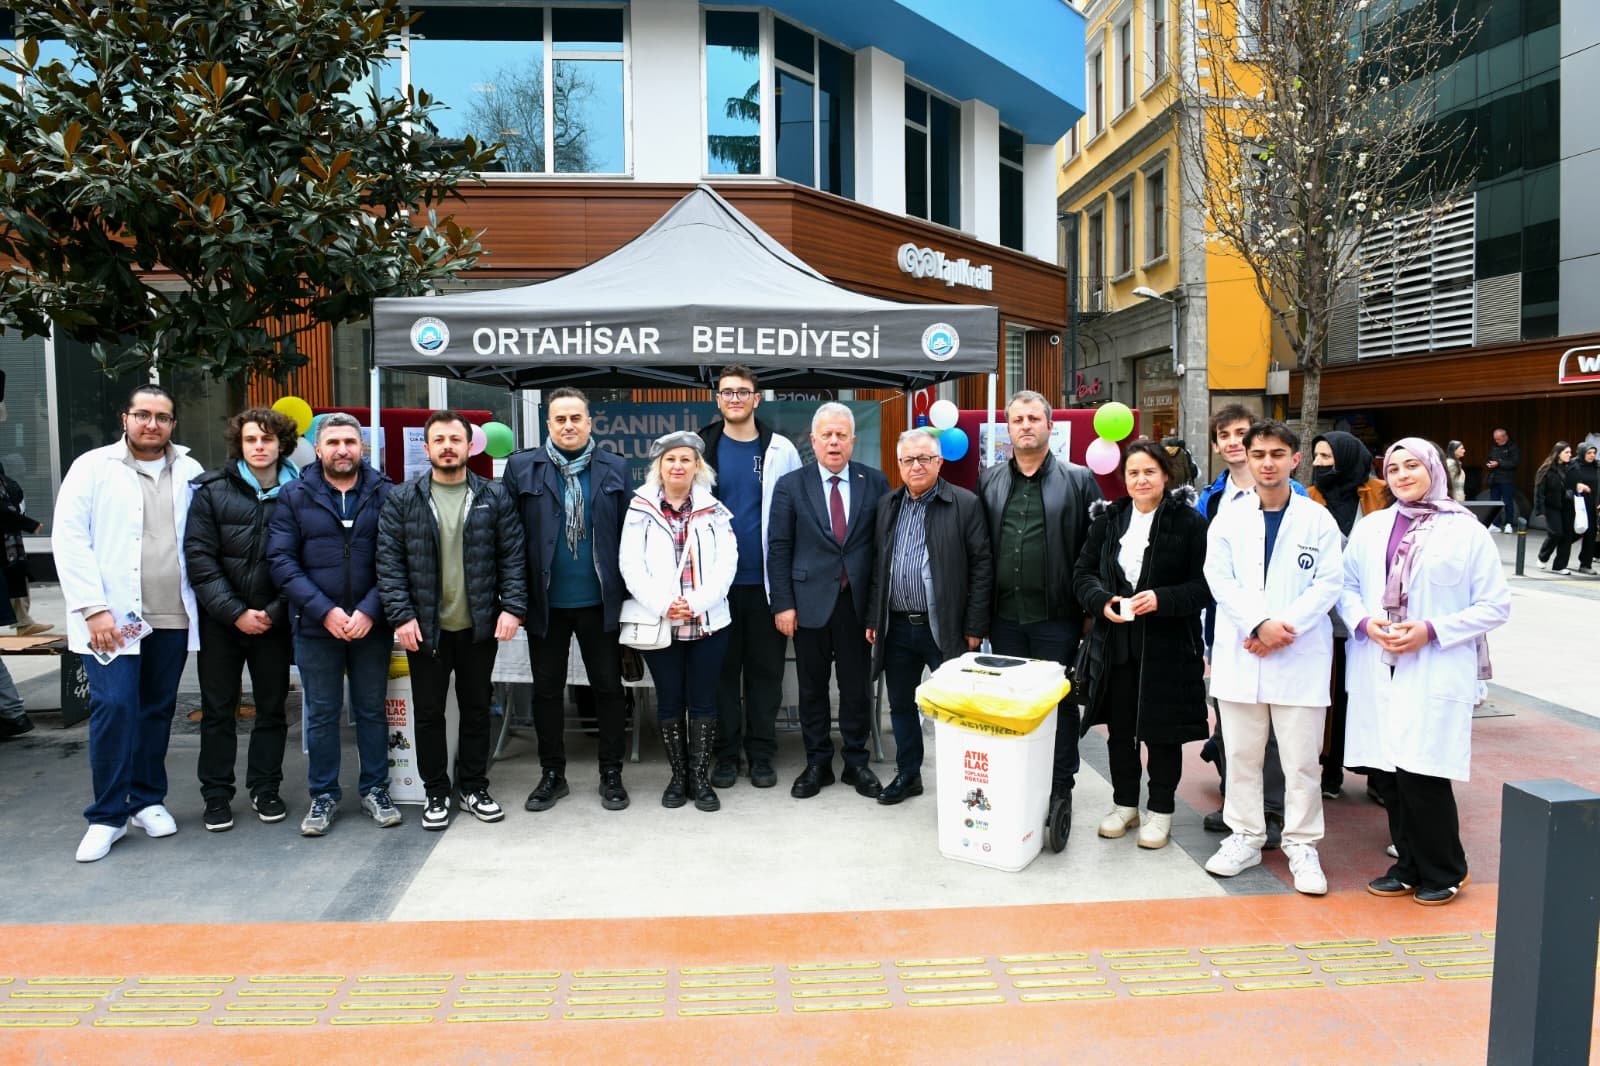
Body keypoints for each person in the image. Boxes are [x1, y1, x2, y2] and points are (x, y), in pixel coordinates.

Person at [1342, 437, 1511, 905]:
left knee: (1423, 772)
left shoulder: (1465, 531)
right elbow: (1346, 586)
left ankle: (1446, 869)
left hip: (1433, 661)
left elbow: (1495, 605)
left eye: (1412, 465)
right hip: (1379, 661)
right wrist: (1365, 622)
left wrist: (1431, 630)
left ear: (1435, 470)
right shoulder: (1373, 527)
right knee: (1389, 771)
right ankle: (1408, 865)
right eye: (1393, 468)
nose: (1402, 475)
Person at [54, 385, 204, 862]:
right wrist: (92, 608)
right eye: (143, 414)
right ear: (125, 418)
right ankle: (106, 816)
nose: (151, 424)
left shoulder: (190, 470)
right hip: (111, 618)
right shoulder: (92, 467)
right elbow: (69, 539)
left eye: (162, 417)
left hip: (172, 613)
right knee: (114, 706)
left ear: (172, 424)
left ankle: (146, 799)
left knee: (157, 708)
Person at [1202, 420, 1343, 896]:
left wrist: (1281, 628)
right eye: (1259, 454)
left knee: (1301, 761)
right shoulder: (1228, 518)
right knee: (1241, 755)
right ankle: (1245, 836)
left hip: (1297, 656)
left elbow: (1329, 582)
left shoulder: (1317, 519)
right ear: (1246, 456)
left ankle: (1302, 845)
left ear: (1294, 460)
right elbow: (1219, 580)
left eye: (1277, 454)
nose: (1267, 463)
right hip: (1243, 653)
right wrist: (1258, 624)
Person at [376, 411, 527, 831]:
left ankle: (474, 787)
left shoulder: (494, 496)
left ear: (469, 446)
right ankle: (436, 791)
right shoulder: (402, 498)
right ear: (426, 448)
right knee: (428, 714)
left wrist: (513, 607)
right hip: (425, 629)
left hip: (479, 626)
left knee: (477, 710)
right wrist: (401, 616)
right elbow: (389, 563)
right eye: (439, 440)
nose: (447, 446)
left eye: (454, 439)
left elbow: (513, 557)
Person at [1071, 440, 1210, 850]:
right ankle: (1125, 806)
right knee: (1120, 732)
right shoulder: (1109, 520)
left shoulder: (1188, 522)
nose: (1141, 480)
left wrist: (1163, 599)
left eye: (1150, 471)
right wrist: (1101, 601)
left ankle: (1161, 811)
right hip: (1116, 644)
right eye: (1133, 473)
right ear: (1124, 478)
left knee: (1162, 734)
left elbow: (1205, 585)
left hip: (1169, 648)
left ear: (1165, 475)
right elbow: (1082, 573)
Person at [267, 412, 400, 837]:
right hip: (314, 626)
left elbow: (395, 559)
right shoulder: (294, 495)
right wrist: (324, 611)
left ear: (362, 448)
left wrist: (369, 610)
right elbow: (281, 561)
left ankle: (376, 789)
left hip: (370, 626)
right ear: (319, 449)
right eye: (334, 442)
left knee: (371, 710)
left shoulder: (386, 493)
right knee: (322, 714)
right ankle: (323, 794)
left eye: (350, 442)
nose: (342, 450)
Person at [977, 390, 1102, 838]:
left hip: (1058, 618)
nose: (1025, 425)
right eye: (1017, 420)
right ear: (1008, 428)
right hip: (1005, 618)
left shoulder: (1079, 480)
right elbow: (981, 550)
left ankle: (1060, 786)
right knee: (1013, 702)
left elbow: (1096, 548)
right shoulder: (989, 481)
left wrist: (1090, 609)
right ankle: (1020, 781)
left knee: (1058, 704)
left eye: (1033, 418)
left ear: (1049, 425)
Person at [503, 387, 632, 813]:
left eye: (576, 418)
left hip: (600, 602)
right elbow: (510, 538)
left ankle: (611, 773)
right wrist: (514, 599)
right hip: (545, 604)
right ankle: (552, 774)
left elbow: (630, 537)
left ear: (590, 423)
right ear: (548, 424)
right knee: (546, 692)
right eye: (560, 419)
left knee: (608, 689)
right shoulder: (522, 468)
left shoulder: (615, 467)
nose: (568, 425)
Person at [1193, 404, 1309, 844]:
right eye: (1224, 435)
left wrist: (1268, 626)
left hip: (1280, 631)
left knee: (1274, 727)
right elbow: (1212, 569)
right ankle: (1236, 805)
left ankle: (1272, 810)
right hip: (1226, 624)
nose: (1233, 443)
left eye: (1241, 433)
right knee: (1231, 719)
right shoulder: (1212, 498)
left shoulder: (1294, 496)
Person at [183, 407, 300, 831]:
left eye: (267, 439)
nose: (259, 447)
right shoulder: (212, 490)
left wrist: (273, 611)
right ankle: (216, 795)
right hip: (222, 622)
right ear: (240, 444)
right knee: (218, 710)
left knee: (271, 709)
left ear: (282, 444)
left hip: (274, 622)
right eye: (251, 439)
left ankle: (265, 788)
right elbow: (199, 557)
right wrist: (235, 613)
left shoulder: (301, 493)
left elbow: (306, 560)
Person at [767, 402, 889, 799]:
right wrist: (783, 604)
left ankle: (856, 762)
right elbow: (779, 547)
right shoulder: (791, 485)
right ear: (813, 440)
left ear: (853, 440)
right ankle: (817, 762)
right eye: (827, 435)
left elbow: (881, 550)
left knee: (856, 689)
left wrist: (876, 610)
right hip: (807, 605)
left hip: (856, 605)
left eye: (841, 435)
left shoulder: (875, 482)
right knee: (812, 688)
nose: (834, 442)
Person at [866, 428, 992, 805]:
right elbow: (879, 567)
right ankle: (909, 774)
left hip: (946, 627)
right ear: (899, 464)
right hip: (897, 626)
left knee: (955, 707)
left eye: (924, 458)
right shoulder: (888, 504)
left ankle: (962, 783)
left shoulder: (965, 503)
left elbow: (982, 566)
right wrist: (874, 618)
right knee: (901, 705)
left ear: (939, 462)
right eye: (908, 459)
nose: (916, 466)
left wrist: (975, 625)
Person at [619, 432, 738, 811]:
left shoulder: (715, 510)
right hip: (661, 623)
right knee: (669, 701)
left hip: (708, 623)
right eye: (670, 459)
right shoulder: (639, 509)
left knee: (703, 701)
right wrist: (664, 604)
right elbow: (630, 565)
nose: (677, 466)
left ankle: (700, 778)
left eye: (686, 459)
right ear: (659, 466)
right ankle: (678, 777)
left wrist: (696, 603)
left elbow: (727, 565)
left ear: (697, 466)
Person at [697, 365, 802, 790]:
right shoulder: (702, 447)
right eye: (727, 392)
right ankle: (725, 756)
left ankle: (761, 754)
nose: (735, 399)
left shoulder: (781, 449)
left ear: (757, 399)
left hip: (765, 586)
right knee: (720, 677)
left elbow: (796, 518)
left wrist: (788, 593)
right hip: (715, 588)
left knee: (765, 677)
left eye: (743, 392)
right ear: (718, 399)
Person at [1306, 430, 1386, 799]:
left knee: (1373, 696)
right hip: (1326, 618)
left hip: (1375, 616)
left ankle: (1380, 776)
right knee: (1333, 697)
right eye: (1317, 457)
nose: (1319, 464)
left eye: (1327, 457)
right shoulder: (1309, 499)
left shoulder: (1379, 495)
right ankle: (1330, 769)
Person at [0, 460, 50, 635]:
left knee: (16, 581)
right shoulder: (7, 484)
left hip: (9, 544)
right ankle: (23, 623)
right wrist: (30, 524)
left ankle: (24, 623)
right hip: (8, 543)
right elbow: (5, 511)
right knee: (15, 581)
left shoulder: (7, 484)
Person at [1534, 442, 1582, 576]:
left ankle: (1560, 566)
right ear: (1558, 453)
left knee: (1567, 535)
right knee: (1556, 533)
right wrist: (1539, 509)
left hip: (1568, 506)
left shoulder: (1572, 468)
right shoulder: (1547, 468)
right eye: (1566, 452)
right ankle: (1543, 556)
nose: (1570, 455)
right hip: (1552, 506)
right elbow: (1539, 490)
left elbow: (1576, 483)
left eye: (1570, 452)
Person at [1570, 443, 1598, 574]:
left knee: (1591, 534)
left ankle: (1585, 564)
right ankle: (1557, 556)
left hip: (1592, 506)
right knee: (1572, 533)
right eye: (1589, 453)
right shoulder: (1573, 465)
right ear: (1582, 453)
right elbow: (1565, 482)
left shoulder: (1597, 466)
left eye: (1594, 453)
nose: (1592, 455)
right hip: (1576, 504)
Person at [1486, 428, 1519, 533]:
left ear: (1505, 437)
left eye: (1498, 439)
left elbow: (1514, 463)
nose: (1496, 441)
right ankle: (1495, 524)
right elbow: (1490, 458)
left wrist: (1499, 463)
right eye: (1495, 439)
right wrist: (1489, 463)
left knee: (1508, 501)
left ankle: (1509, 524)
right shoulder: (1494, 447)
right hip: (1494, 478)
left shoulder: (1513, 447)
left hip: (1507, 479)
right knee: (1494, 502)